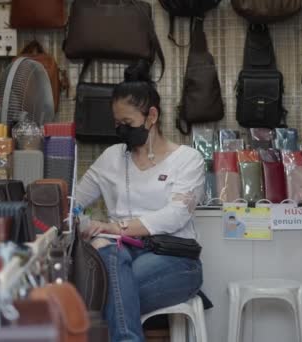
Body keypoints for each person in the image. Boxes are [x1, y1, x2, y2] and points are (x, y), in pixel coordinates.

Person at [75, 61, 205, 342]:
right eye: (116, 123)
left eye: (128, 123)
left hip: (174, 260)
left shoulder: (187, 160)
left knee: (102, 290)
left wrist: (112, 228)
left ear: (151, 116)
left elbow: (175, 216)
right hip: (119, 256)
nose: (121, 130)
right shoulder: (111, 157)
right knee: (109, 255)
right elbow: (74, 199)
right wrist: (77, 218)